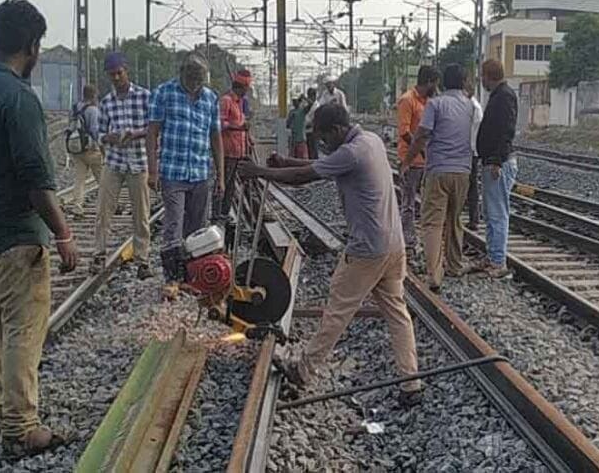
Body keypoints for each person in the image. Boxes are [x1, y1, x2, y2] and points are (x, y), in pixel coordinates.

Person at [240, 103, 422, 407]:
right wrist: (284, 160)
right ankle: (411, 382)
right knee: (397, 313)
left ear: (338, 130)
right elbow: (316, 165)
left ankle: (303, 369)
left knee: (337, 311)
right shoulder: (371, 141)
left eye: (324, 138)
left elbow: (303, 176)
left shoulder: (351, 153)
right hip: (393, 246)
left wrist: (259, 171)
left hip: (367, 250)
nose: (323, 144)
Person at [0, 0, 78, 456]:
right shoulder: (18, 98)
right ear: (31, 46)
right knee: (23, 332)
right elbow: (35, 179)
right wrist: (64, 234)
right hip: (16, 237)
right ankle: (20, 428)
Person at [147, 53, 225, 283]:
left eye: (198, 81)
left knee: (198, 226)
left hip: (201, 172)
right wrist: (152, 171)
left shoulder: (210, 98)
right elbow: (152, 132)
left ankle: (192, 275)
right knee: (173, 223)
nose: (194, 85)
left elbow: (215, 138)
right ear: (182, 74)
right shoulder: (164, 92)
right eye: (191, 80)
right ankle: (172, 276)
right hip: (173, 171)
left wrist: (220, 176)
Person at [403, 64, 474, 293]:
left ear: (443, 82)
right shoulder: (470, 106)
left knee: (433, 222)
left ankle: (434, 274)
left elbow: (421, 135)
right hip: (463, 171)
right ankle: (454, 265)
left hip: (438, 170)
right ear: (463, 82)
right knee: (455, 219)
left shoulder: (436, 104)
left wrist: (407, 161)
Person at [92, 51, 153, 279]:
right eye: (112, 75)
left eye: (119, 73)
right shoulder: (106, 103)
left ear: (126, 71)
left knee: (141, 214)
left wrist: (135, 134)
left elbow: (154, 128)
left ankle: (143, 259)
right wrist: (111, 137)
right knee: (103, 210)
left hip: (138, 162)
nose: (116, 78)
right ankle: (99, 254)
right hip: (114, 161)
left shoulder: (145, 97)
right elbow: (99, 132)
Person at [477, 59, 518, 278]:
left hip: (498, 163)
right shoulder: (500, 95)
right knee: (492, 213)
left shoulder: (504, 97)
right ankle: (492, 256)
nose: (481, 80)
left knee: (498, 213)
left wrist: (496, 160)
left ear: (489, 75)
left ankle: (498, 261)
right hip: (494, 161)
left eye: (482, 76)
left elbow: (506, 131)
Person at [396, 66, 440, 256]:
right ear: (429, 81)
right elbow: (404, 132)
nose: (437, 87)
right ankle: (409, 241)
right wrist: (420, 150)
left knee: (428, 204)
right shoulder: (407, 100)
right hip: (411, 160)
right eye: (435, 83)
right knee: (408, 203)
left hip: (428, 162)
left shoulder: (431, 102)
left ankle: (426, 240)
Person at [215, 69, 251, 219]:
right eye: (246, 89)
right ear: (240, 87)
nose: (247, 92)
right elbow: (220, 124)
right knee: (222, 184)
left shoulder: (240, 103)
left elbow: (241, 124)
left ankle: (224, 213)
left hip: (238, 152)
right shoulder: (226, 101)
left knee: (230, 186)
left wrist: (248, 138)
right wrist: (238, 128)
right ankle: (216, 214)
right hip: (227, 152)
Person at [68, 84, 102, 218]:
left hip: (77, 149)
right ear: (94, 95)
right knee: (103, 179)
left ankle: (77, 206)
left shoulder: (74, 108)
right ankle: (110, 205)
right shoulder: (93, 110)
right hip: (91, 150)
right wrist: (100, 146)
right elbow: (94, 130)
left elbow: (70, 126)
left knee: (79, 180)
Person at [465, 81, 484, 230]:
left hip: (469, 151)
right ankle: (474, 218)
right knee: (471, 186)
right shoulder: (474, 106)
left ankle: (474, 218)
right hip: (471, 150)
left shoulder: (471, 107)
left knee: (471, 186)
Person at [286, 94, 308, 159]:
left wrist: (304, 98)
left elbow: (311, 104)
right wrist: (291, 119)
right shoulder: (291, 112)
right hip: (293, 140)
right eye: (293, 101)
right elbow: (287, 125)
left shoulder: (303, 111)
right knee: (292, 158)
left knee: (302, 158)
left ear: (299, 102)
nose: (294, 102)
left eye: (296, 101)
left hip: (301, 139)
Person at [304, 87, 319, 159]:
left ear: (314, 96)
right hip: (307, 131)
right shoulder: (308, 106)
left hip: (313, 131)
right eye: (308, 96)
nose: (309, 98)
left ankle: (315, 165)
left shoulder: (316, 106)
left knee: (314, 150)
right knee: (310, 151)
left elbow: (313, 120)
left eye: (310, 96)